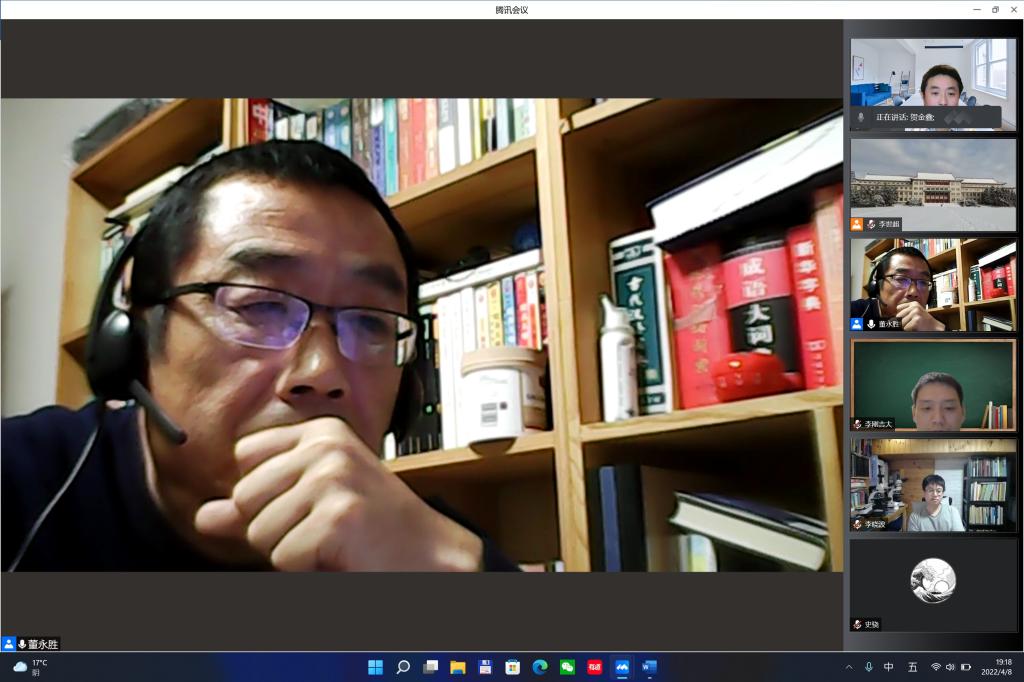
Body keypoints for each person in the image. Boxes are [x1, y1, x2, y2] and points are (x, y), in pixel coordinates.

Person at [2, 141, 518, 572]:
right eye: (259, 306)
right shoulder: (21, 482)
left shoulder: (421, 550)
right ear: (135, 331)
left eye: (370, 322)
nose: (322, 373)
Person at [850, 247, 945, 331]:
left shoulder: (930, 324)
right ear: (877, 284)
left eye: (923, 282)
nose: (913, 292)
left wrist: (939, 330)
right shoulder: (853, 312)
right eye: (901, 279)